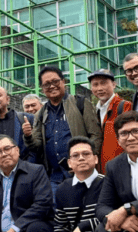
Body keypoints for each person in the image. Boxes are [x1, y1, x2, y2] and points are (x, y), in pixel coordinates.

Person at [25, 66, 102, 203]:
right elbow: (36, 144)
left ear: (63, 82)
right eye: (46, 84)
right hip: (55, 177)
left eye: (55, 81)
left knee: (86, 210)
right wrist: (28, 136)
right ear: (42, 89)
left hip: (81, 173)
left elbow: (95, 135)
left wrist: (87, 161)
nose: (51, 86)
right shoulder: (40, 114)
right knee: (57, 211)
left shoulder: (80, 103)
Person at [88, 69, 131, 172]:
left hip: (120, 169)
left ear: (114, 84)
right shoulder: (93, 111)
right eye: (95, 85)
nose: (99, 88)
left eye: (103, 83)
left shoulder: (125, 106)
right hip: (100, 170)